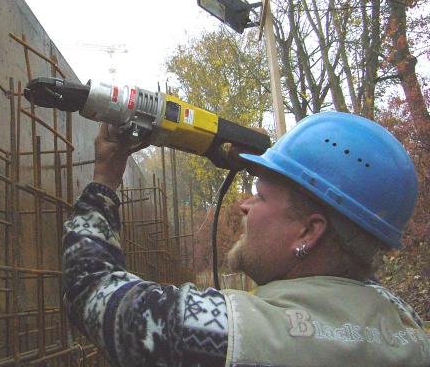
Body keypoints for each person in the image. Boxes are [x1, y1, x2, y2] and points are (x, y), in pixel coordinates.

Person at [62, 112, 429, 366]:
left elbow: (89, 287)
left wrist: (105, 178)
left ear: (308, 231)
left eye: (261, 195)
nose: (243, 205)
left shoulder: (238, 336)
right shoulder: (407, 328)